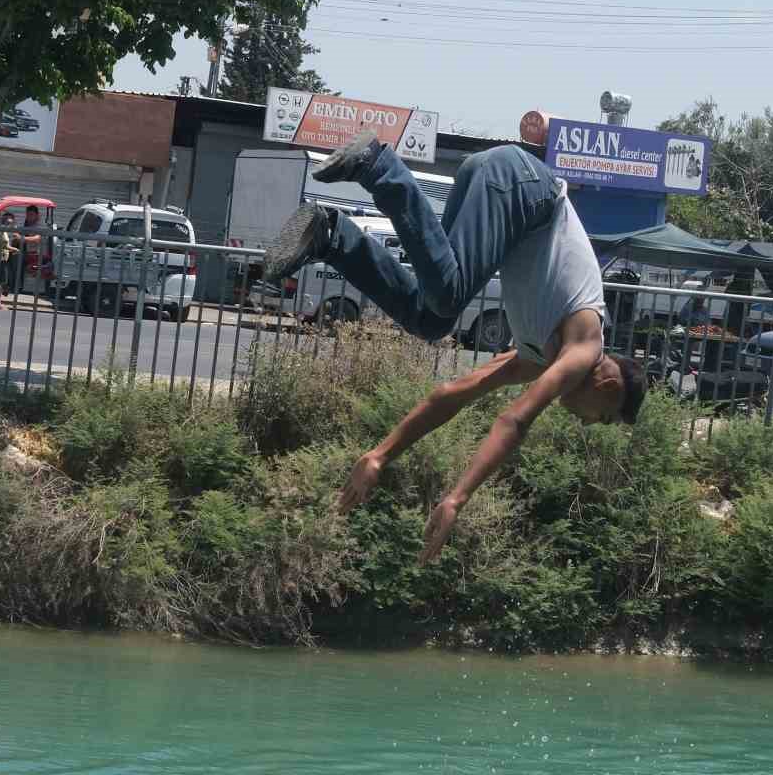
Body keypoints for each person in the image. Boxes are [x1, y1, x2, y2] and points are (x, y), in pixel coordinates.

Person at [264, 131, 647, 563]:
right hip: (522, 185)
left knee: (432, 318)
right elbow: (515, 421)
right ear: (610, 388)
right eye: (602, 419)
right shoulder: (583, 347)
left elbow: (452, 395)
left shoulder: (537, 358)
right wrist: (456, 499)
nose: (587, 423)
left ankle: (331, 237)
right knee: (447, 297)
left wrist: (380, 455)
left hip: (500, 182)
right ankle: (377, 166)